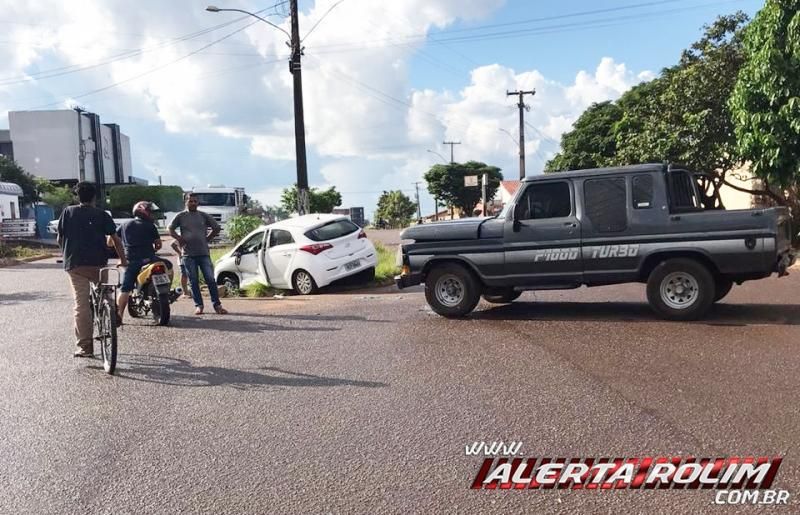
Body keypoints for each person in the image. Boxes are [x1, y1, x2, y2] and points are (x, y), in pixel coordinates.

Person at [57, 182, 127, 358]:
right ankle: (111, 310)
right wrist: (123, 260)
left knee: (81, 305)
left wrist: (66, 253)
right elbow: (116, 239)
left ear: (77, 196)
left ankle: (85, 347)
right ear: (95, 197)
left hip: (75, 264)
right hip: (98, 263)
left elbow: (60, 237)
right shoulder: (102, 214)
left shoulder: (68, 212)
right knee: (106, 289)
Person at [168, 193, 228, 315]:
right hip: (188, 254)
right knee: (193, 281)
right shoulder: (181, 216)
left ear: (198, 203)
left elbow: (216, 227)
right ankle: (199, 306)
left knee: (210, 280)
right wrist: (179, 238)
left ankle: (217, 305)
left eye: (195, 201)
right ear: (186, 202)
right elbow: (170, 228)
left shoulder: (203, 216)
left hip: (203, 253)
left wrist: (207, 239)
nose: (193, 203)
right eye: (191, 201)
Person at [116, 201, 174, 324]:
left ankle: (119, 316)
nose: (151, 215)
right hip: (151, 260)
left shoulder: (125, 225)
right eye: (150, 212)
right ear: (143, 212)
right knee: (169, 265)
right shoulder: (150, 226)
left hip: (132, 261)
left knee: (125, 289)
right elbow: (158, 244)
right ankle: (168, 290)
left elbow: (111, 242)